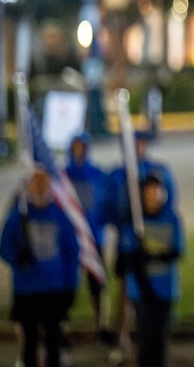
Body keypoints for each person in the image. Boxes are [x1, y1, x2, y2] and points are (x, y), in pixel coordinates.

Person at [106, 130, 177, 359]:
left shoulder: (156, 170)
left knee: (155, 327)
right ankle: (122, 335)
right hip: (129, 237)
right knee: (125, 288)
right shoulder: (118, 174)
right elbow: (110, 205)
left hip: (150, 238)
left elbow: (169, 198)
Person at [0, 170, 79, 367]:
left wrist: (70, 284)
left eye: (42, 187)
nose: (38, 192)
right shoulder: (19, 217)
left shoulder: (59, 216)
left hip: (54, 289)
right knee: (30, 342)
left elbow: (71, 252)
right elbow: (4, 245)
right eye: (35, 186)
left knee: (53, 340)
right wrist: (16, 258)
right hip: (27, 290)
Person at [120, 173, 184, 367]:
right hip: (142, 292)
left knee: (160, 341)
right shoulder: (135, 221)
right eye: (149, 191)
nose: (153, 195)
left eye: (156, 191)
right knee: (146, 342)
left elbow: (177, 250)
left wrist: (152, 254)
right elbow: (129, 256)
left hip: (165, 290)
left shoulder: (171, 218)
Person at [64, 132, 112, 338]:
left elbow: (108, 204)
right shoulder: (63, 175)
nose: (79, 150)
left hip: (94, 238)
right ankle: (62, 328)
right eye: (75, 146)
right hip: (69, 240)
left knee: (98, 284)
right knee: (66, 285)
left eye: (82, 146)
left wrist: (100, 223)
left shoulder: (97, 175)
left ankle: (102, 325)